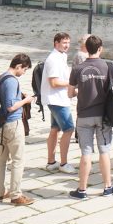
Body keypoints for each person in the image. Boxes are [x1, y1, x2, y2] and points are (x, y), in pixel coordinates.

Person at [67, 35, 113, 198]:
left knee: (86, 153)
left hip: (84, 115)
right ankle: (108, 187)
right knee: (104, 151)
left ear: (86, 48)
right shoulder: (109, 66)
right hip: (103, 116)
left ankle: (82, 190)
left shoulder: (78, 68)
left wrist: (81, 91)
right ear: (100, 49)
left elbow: (70, 93)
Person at [0, 54, 36, 206]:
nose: (24, 73)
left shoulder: (2, 77)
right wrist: (26, 100)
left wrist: (20, 95)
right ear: (18, 66)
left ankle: (0, 192)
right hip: (13, 124)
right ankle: (16, 195)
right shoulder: (12, 81)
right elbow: (11, 107)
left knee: (2, 160)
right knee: (18, 160)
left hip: (4, 124)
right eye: (24, 69)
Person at [43, 32, 76, 174]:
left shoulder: (61, 56)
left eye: (68, 42)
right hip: (57, 100)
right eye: (64, 43)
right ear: (56, 43)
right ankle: (64, 163)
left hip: (58, 98)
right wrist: (71, 83)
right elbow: (54, 82)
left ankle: (51, 162)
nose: (67, 45)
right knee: (69, 129)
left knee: (55, 129)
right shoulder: (53, 59)